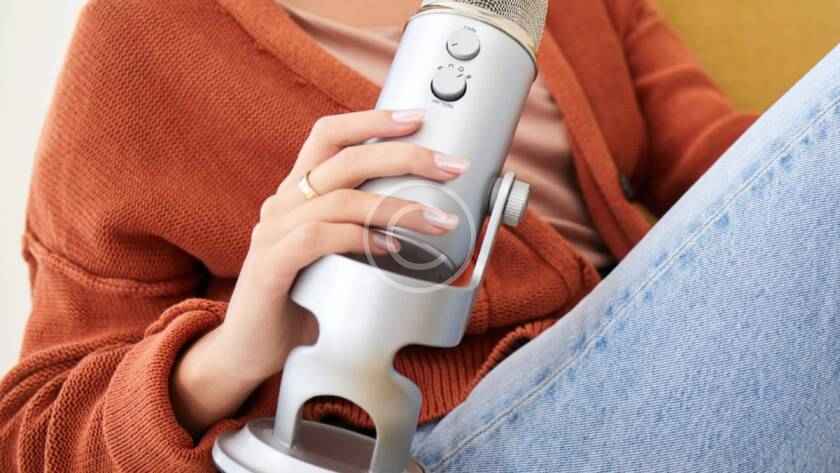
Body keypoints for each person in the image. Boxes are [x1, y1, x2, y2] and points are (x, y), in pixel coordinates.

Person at [1, 0, 838, 471]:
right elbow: (29, 436)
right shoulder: (145, 33)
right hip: (442, 444)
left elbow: (739, 172)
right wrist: (228, 355)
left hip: (659, 358)